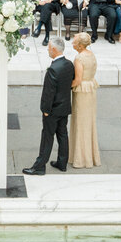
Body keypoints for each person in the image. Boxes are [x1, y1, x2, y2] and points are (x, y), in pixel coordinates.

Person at [22, 36, 74, 175]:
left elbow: (48, 93)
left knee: (47, 137)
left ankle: (39, 166)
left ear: (54, 49)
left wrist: (45, 110)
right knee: (62, 134)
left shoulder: (53, 69)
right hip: (64, 107)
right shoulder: (69, 64)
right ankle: (62, 163)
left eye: (49, 48)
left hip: (53, 110)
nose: (47, 50)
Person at [69, 32, 101, 169]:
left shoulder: (79, 58)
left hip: (82, 91)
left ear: (80, 46)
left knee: (81, 123)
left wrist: (66, 86)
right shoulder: (91, 55)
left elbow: (77, 79)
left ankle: (80, 158)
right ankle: (90, 155)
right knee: (89, 122)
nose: (72, 43)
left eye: (74, 41)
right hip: (90, 89)